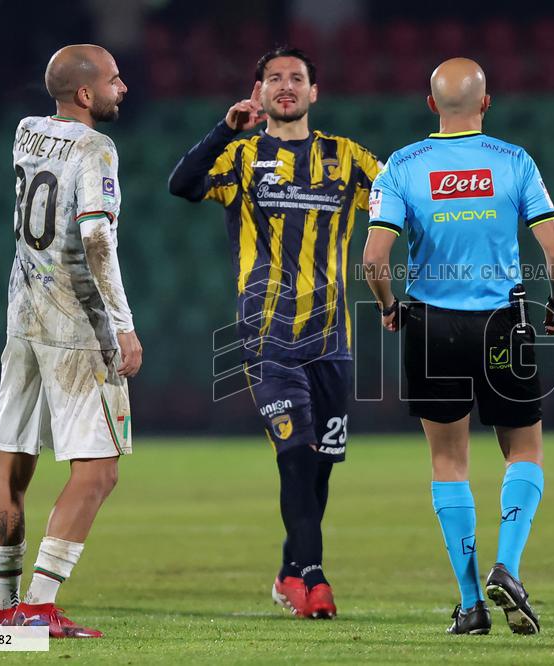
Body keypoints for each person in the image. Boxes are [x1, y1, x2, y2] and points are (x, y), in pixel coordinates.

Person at [168, 47, 381, 620]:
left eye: (297, 79)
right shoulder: (240, 157)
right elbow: (181, 185)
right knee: (294, 455)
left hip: (332, 337)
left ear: (315, 92)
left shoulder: (349, 158)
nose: (285, 86)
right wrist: (221, 130)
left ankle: (291, 568)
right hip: (266, 337)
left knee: (322, 465)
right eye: (274, 79)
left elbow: (400, 204)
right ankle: (314, 581)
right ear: (258, 92)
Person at [363, 58, 554, 635]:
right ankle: (507, 567)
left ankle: (470, 603)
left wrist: (387, 308)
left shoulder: (402, 166)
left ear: (431, 105)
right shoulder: (514, 162)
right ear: (488, 102)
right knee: (523, 451)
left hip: (430, 325)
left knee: (448, 461)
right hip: (502, 323)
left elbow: (374, 259)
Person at [0, 44, 142, 638]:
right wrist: (122, 323)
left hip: (22, 318)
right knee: (98, 470)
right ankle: (39, 609)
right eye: (115, 80)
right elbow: (97, 240)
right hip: (75, 324)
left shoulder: (26, 131)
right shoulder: (97, 147)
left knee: (11, 458)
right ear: (86, 94)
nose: (125, 87)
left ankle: (3, 606)